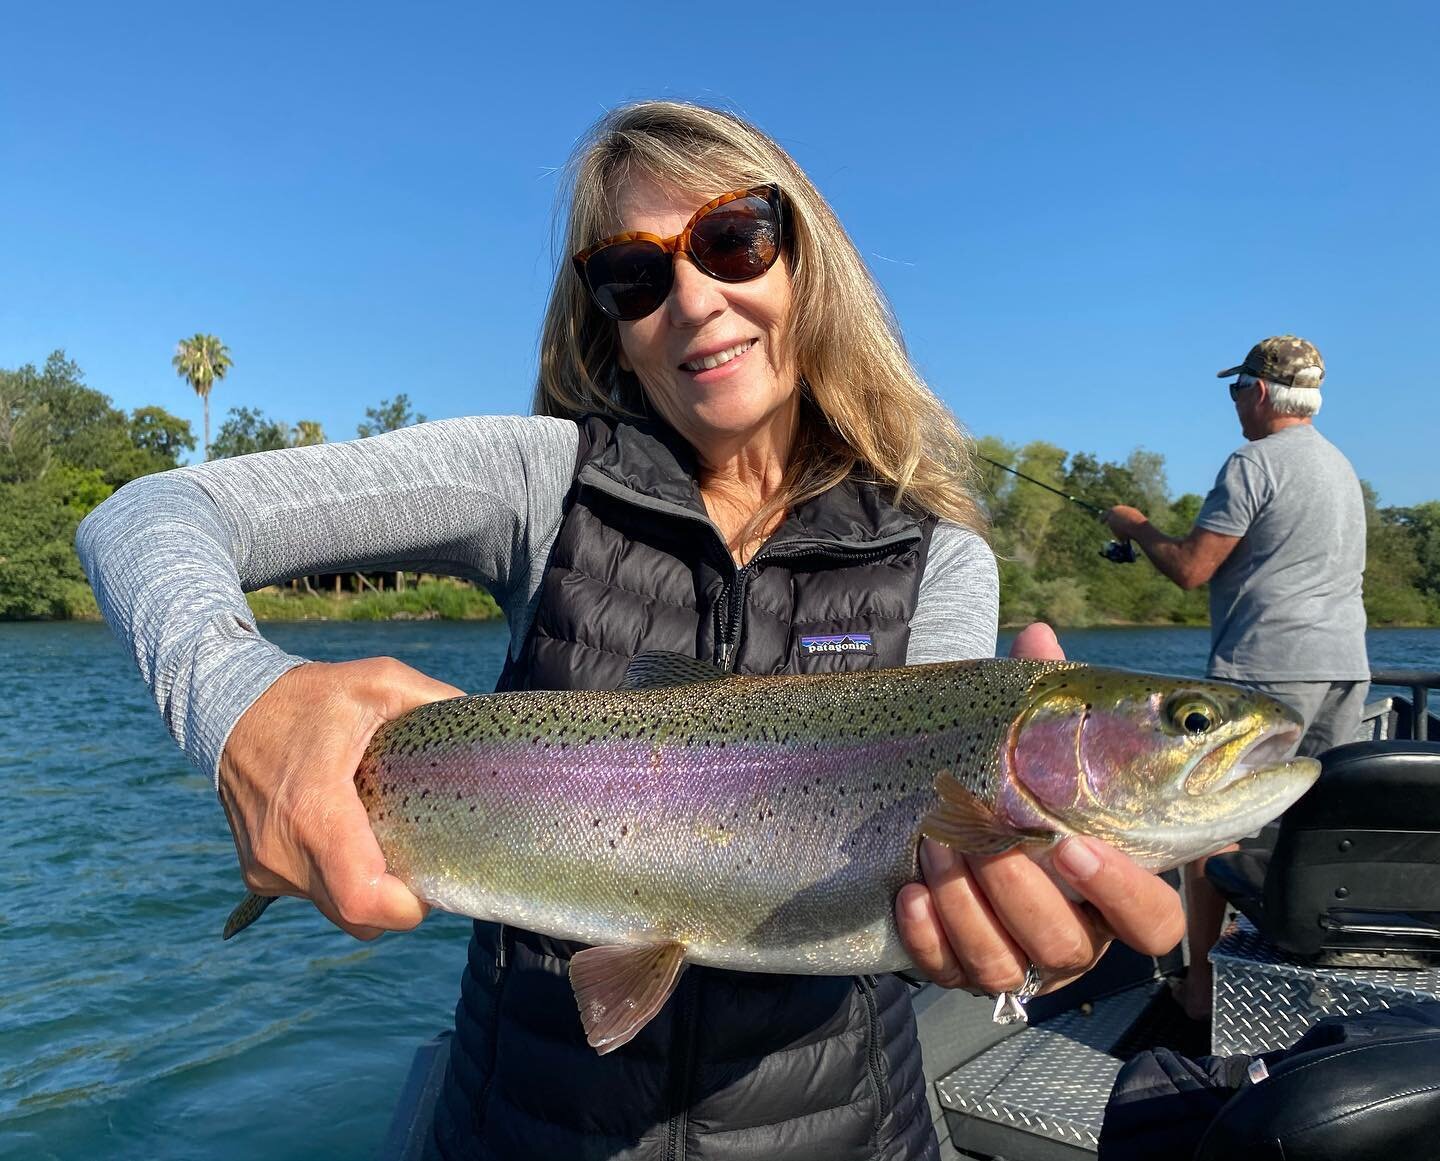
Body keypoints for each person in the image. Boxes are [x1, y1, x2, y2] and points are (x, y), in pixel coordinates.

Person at [78, 101, 1183, 1161]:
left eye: (735, 240)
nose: (695, 300)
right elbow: (147, 516)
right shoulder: (536, 479)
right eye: (636, 274)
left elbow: (948, 886)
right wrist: (243, 707)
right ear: (604, 313)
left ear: (810, 259)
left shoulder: (941, 557)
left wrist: (1014, 949)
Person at [1104, 333, 1368, 1022]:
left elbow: (1193, 567)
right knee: (1318, 825)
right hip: (1346, 668)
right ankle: (1310, 977)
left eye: (1235, 391)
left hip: (1267, 669)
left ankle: (1201, 988)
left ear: (1258, 391)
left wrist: (1134, 524)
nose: (1234, 406)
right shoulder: (1340, 467)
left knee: (1206, 829)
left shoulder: (1253, 463)